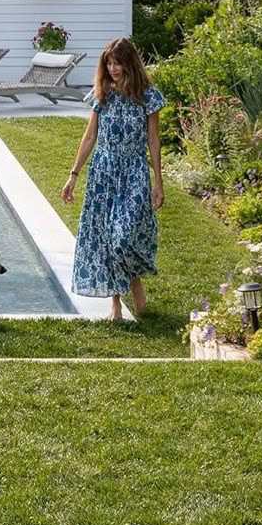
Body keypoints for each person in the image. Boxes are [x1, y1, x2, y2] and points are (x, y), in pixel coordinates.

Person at [61, 37, 166, 321]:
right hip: (103, 172)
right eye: (108, 63)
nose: (113, 68)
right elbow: (90, 136)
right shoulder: (102, 94)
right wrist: (73, 176)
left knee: (126, 233)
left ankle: (135, 281)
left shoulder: (148, 96)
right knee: (107, 238)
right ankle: (116, 304)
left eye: (118, 62)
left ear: (129, 63)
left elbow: (153, 140)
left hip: (133, 171)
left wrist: (158, 181)